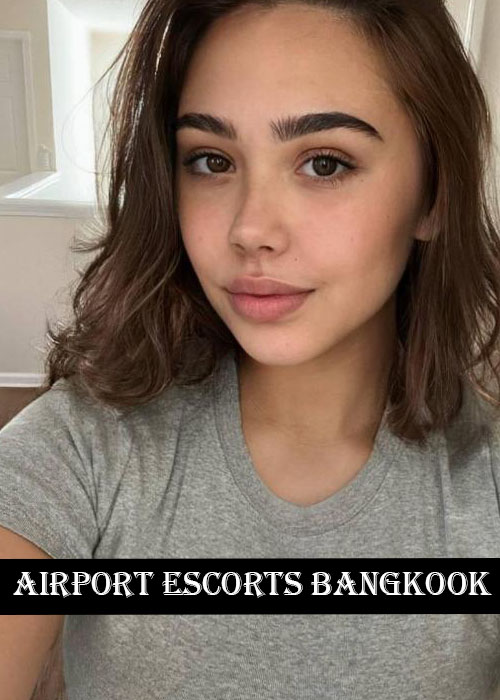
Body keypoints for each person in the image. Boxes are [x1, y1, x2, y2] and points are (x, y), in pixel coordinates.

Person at [1, 0, 500, 698]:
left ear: (434, 194)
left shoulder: (485, 487)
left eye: (324, 163)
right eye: (211, 161)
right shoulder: (80, 449)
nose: (250, 229)